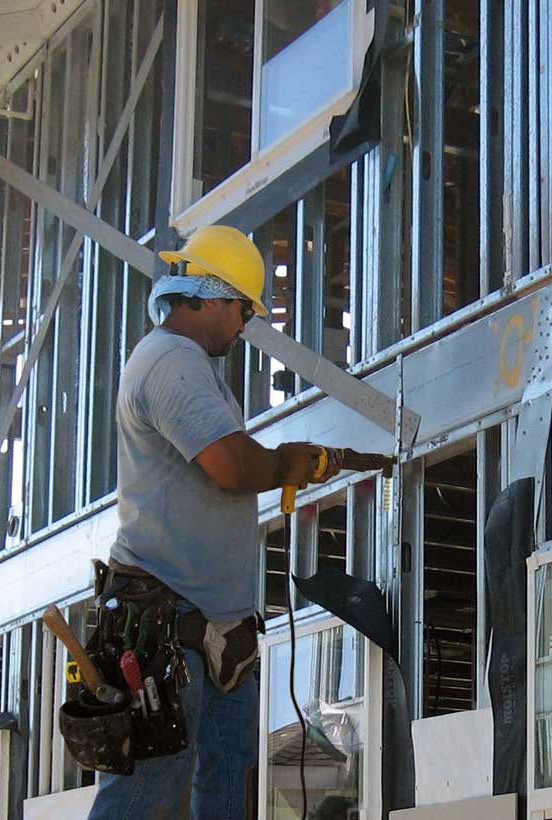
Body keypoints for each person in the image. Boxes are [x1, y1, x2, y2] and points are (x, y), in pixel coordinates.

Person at [88, 225, 340, 819]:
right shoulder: (169, 360)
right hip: (168, 619)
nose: (244, 324)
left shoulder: (192, 366)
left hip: (216, 629)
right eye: (243, 309)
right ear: (211, 294)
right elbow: (228, 464)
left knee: (226, 787)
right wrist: (285, 463)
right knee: (148, 791)